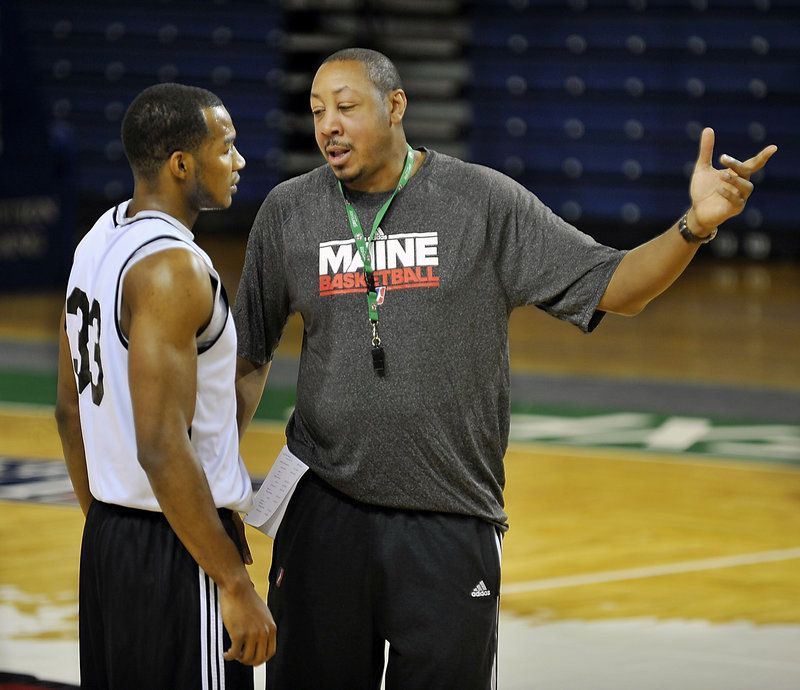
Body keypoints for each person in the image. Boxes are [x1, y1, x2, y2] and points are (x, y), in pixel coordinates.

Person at [233, 48, 777, 689]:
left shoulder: (482, 204)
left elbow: (619, 286)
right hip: (322, 513)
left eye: (347, 108)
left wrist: (694, 226)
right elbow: (246, 358)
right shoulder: (290, 211)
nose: (328, 125)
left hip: (449, 517)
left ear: (396, 106)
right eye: (318, 110)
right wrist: (219, 486)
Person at [54, 82, 276, 689]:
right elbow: (161, 445)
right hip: (175, 552)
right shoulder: (173, 267)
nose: (239, 161)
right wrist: (230, 578)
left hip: (109, 540)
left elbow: (69, 414)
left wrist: (114, 527)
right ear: (182, 164)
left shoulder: (94, 242)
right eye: (225, 147)